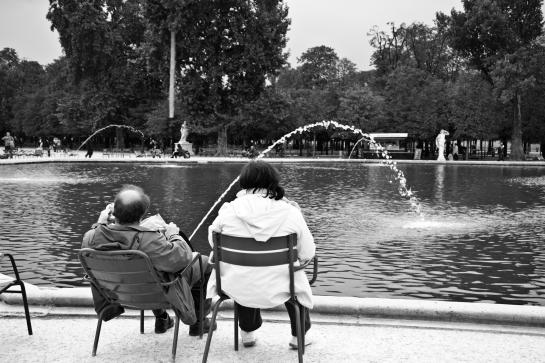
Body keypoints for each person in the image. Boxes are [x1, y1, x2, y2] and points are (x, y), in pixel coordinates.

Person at [207, 160, 316, 349]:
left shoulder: (227, 211)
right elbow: (308, 252)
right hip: (282, 285)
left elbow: (212, 242)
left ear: (244, 182)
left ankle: (247, 333)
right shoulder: (290, 212)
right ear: (273, 182)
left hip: (234, 284)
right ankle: (299, 336)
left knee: (244, 271)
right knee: (292, 274)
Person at [82, 185, 215, 336]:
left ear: (114, 212)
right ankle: (199, 323)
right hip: (159, 293)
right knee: (203, 262)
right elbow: (183, 258)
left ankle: (162, 318)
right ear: (141, 216)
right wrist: (173, 235)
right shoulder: (150, 241)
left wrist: (101, 224)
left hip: (119, 295)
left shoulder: (90, 238)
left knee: (150, 268)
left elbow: (96, 233)